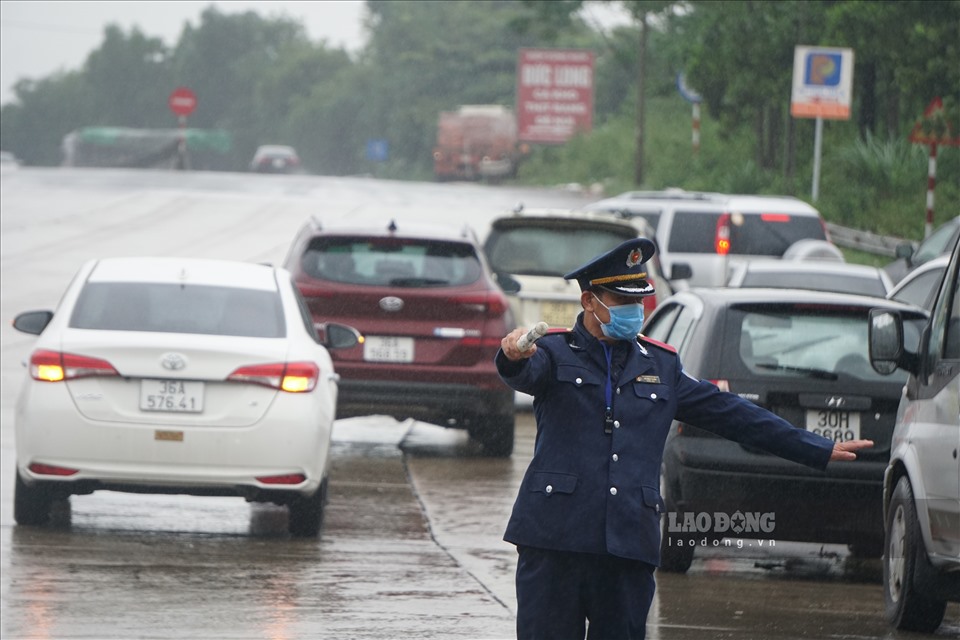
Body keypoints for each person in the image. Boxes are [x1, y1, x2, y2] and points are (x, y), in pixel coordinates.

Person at [495, 237, 874, 640]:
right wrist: (513, 356)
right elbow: (522, 373)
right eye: (622, 301)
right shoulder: (553, 352)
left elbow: (732, 414)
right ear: (589, 302)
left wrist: (815, 446)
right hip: (555, 542)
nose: (633, 311)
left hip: (627, 547)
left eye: (638, 301)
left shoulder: (661, 364)